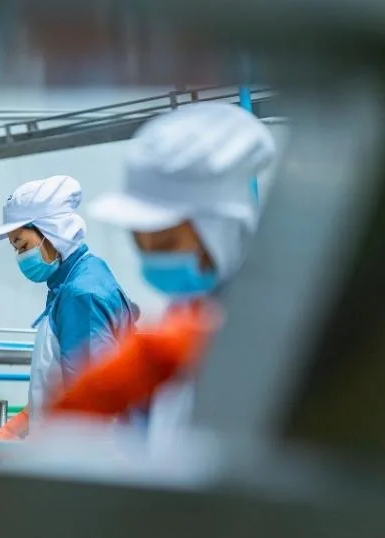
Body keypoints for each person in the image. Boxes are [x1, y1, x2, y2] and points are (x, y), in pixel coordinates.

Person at [45, 102, 277, 444]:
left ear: (220, 231)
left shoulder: (274, 324)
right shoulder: (184, 314)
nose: (152, 257)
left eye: (167, 242)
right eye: (140, 243)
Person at [0, 175, 139, 440]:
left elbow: (91, 411)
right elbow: (56, 389)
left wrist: (31, 458)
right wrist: (9, 433)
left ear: (53, 231)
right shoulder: (74, 280)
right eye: (16, 248)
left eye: (23, 245)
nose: (20, 257)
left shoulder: (82, 295)